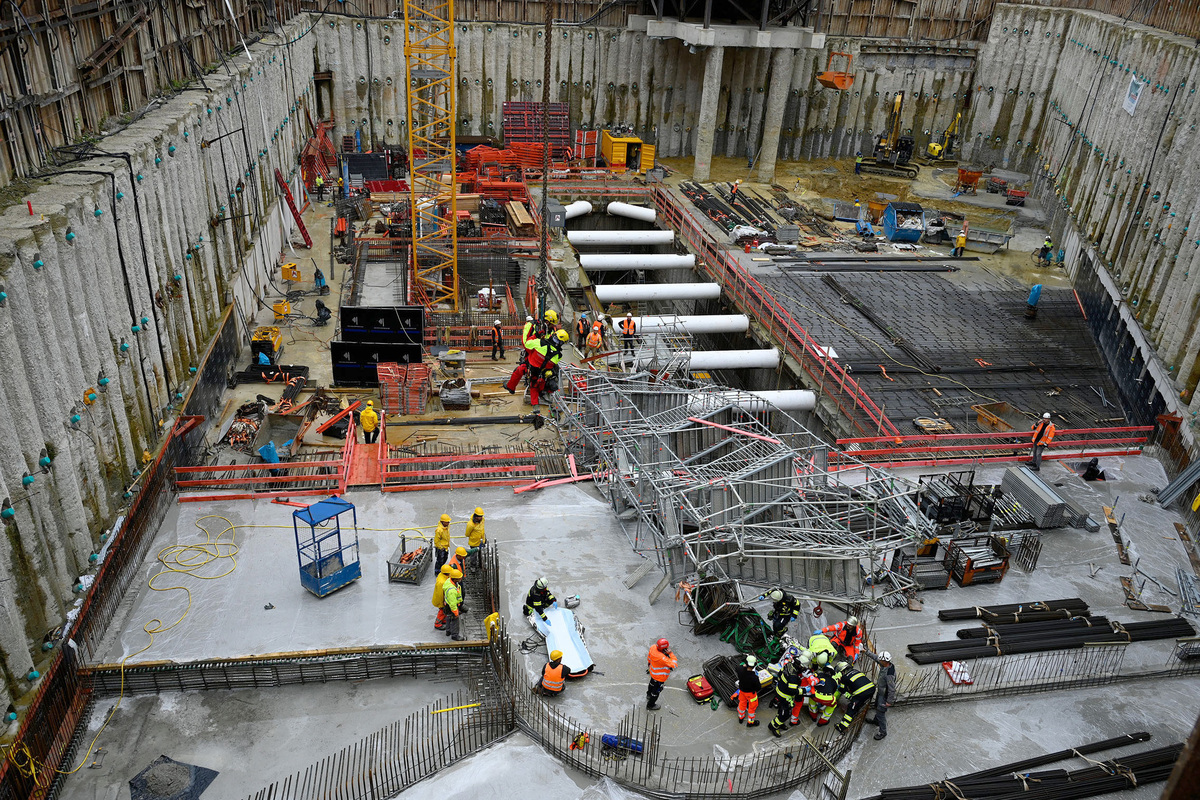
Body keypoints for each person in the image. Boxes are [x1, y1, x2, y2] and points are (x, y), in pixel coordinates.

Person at [505, 328, 556, 402]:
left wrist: (536, 336)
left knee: (521, 371)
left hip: (534, 362)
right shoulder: (557, 352)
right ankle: (539, 397)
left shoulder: (540, 340)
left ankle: (511, 387)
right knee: (536, 382)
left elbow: (526, 344)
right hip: (542, 366)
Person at [831, 661, 875, 735]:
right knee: (858, 701)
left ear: (843, 671)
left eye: (841, 672)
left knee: (851, 708)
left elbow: (842, 690)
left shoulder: (844, 677)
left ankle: (842, 727)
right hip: (871, 689)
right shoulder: (856, 671)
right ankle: (859, 705)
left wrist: (840, 684)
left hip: (861, 694)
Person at [861, 650, 895, 741]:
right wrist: (865, 651)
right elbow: (876, 657)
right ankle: (876, 721)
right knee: (877, 707)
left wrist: (889, 701)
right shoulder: (885, 664)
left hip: (884, 696)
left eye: (881, 660)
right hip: (880, 692)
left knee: (881, 713)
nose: (879, 661)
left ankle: (883, 732)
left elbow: (892, 689)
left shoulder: (889, 674)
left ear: (884, 661)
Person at [768, 661, 801, 737]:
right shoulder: (793, 677)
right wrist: (803, 690)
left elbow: (780, 674)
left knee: (781, 710)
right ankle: (774, 726)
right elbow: (793, 691)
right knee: (786, 714)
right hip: (785, 697)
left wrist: (782, 685)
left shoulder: (788, 665)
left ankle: (779, 723)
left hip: (780, 691)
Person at [646, 638, 678, 710]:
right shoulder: (662, 658)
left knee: (651, 684)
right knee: (656, 692)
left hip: (653, 673)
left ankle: (648, 695)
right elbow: (674, 664)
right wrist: (671, 654)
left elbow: (649, 658)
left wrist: (649, 665)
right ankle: (650, 705)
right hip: (660, 678)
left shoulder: (653, 647)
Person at [734, 655, 761, 726]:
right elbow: (758, 687)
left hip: (742, 691)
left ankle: (741, 717)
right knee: (752, 708)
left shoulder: (740, 670)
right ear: (754, 665)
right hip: (751, 694)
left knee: (742, 703)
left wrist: (744, 666)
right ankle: (750, 722)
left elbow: (738, 667)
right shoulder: (754, 677)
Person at [432, 564, 458, 630]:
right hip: (441, 600)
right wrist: (442, 603)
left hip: (441, 598)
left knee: (444, 611)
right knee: (442, 611)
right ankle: (437, 624)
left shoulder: (442, 575)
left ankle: (443, 620)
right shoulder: (441, 582)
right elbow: (441, 594)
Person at [442, 571, 465, 641]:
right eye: (459, 578)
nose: (461, 579)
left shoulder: (449, 580)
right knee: (455, 620)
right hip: (451, 606)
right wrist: (456, 612)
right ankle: (455, 635)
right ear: (455, 579)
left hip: (447, 604)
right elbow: (453, 604)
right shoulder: (452, 590)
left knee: (449, 617)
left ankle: (448, 631)